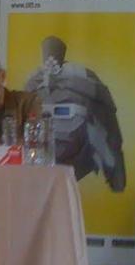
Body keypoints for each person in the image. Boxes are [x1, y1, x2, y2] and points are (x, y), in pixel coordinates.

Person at [24, 35, 126, 190]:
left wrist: (114, 168)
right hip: (43, 160)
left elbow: (108, 116)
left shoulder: (83, 78)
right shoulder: (34, 81)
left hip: (79, 152)